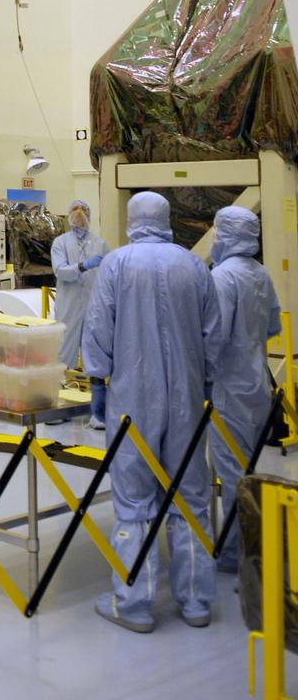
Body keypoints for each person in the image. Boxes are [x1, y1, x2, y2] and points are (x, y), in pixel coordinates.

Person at [82, 191, 223, 633]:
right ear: (166, 219)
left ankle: (134, 603)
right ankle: (197, 601)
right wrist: (204, 378)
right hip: (186, 399)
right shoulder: (193, 266)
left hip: (132, 399)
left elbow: (99, 327)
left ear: (131, 219)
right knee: (190, 495)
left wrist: (98, 379)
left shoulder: (117, 264)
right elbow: (213, 333)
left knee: (134, 499)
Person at [209, 206, 281, 574]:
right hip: (256, 384)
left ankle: (238, 553)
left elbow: (213, 337)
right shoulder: (261, 274)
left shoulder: (222, 277)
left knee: (231, 473)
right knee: (250, 468)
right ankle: (257, 543)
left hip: (228, 389)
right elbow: (271, 325)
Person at [50, 199, 109, 428]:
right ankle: (58, 409)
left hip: (94, 308)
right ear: (68, 214)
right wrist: (83, 266)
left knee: (95, 359)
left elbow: (108, 272)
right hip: (69, 307)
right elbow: (60, 271)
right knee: (63, 358)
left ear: (90, 215)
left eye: (84, 209)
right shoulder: (60, 243)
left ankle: (98, 414)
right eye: (74, 209)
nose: (79, 213)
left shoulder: (100, 244)